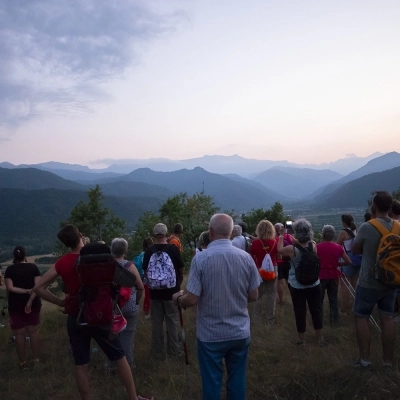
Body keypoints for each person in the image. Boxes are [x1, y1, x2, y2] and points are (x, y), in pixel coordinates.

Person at [33, 224, 152, 400]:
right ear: (81, 235)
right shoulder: (103, 258)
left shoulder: (63, 262)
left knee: (81, 364)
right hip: (101, 314)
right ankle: (133, 397)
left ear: (66, 244)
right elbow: (126, 281)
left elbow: (39, 288)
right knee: (119, 357)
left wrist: (61, 302)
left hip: (76, 316)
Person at [172, 213, 261, 400]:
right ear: (230, 232)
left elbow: (192, 299)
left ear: (210, 232)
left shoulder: (201, 259)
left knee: (212, 383)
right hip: (239, 331)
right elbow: (254, 295)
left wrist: (179, 300)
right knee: (237, 380)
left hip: (210, 334)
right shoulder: (246, 257)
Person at [352, 191, 398, 369]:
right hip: (391, 280)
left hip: (369, 281)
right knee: (388, 318)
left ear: (374, 206)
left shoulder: (367, 227)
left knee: (362, 317)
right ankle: (387, 362)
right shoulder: (398, 227)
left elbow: (355, 250)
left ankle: (365, 360)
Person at [277, 219, 326, 346]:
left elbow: (279, 250)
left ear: (296, 232)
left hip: (297, 285)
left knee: (300, 311)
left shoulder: (291, 249)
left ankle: (301, 340)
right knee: (316, 310)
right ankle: (320, 338)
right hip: (314, 283)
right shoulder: (313, 245)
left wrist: (282, 235)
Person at [142, 223, 185, 360]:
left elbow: (146, 271)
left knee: (156, 323)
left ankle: (157, 353)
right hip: (172, 293)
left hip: (155, 293)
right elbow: (180, 268)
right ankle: (174, 352)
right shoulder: (173, 249)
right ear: (166, 234)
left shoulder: (149, 251)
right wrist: (178, 282)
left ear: (154, 234)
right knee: (172, 322)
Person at [106, 238, 144, 370]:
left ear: (111, 250)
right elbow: (140, 287)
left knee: (111, 336)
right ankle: (128, 366)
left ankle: (111, 366)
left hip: (112, 308)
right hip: (129, 306)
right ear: (126, 251)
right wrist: (136, 301)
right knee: (127, 337)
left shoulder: (106, 266)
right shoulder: (130, 266)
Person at [4, 246, 41, 370]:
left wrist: (24, 291)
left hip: (15, 305)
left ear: (14, 256)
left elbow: (9, 288)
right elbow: (38, 287)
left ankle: (22, 363)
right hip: (33, 304)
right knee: (33, 332)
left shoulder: (9, 270)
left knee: (19, 334)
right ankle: (36, 359)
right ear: (26, 255)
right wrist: (30, 298)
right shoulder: (34, 268)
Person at [317, 225, 351, 326]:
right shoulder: (338, 247)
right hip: (333, 276)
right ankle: (334, 321)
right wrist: (338, 264)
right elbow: (349, 261)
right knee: (333, 299)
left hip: (321, 276)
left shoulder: (317, 247)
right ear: (333, 235)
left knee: (319, 300)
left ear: (323, 235)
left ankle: (319, 321)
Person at [250, 220, 278, 324]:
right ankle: (269, 319)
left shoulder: (256, 243)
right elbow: (278, 256)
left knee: (258, 295)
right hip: (273, 270)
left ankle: (256, 317)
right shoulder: (275, 242)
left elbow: (252, 256)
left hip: (259, 271)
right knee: (271, 295)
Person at [336, 214, 358, 313]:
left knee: (345, 285)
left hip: (346, 258)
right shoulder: (355, 230)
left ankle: (345, 308)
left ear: (344, 222)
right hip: (356, 258)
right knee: (355, 283)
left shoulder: (343, 232)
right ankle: (357, 305)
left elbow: (337, 246)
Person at [133, 237, 154, 320]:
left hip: (143, 277)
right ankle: (150, 312)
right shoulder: (153, 254)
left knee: (147, 295)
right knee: (152, 296)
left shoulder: (140, 256)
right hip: (152, 277)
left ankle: (145, 311)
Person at [274, 222, 294, 305]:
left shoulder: (276, 238)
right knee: (289, 281)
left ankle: (281, 300)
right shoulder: (289, 236)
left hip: (279, 262)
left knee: (280, 282)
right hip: (289, 261)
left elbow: (277, 251)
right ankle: (294, 298)